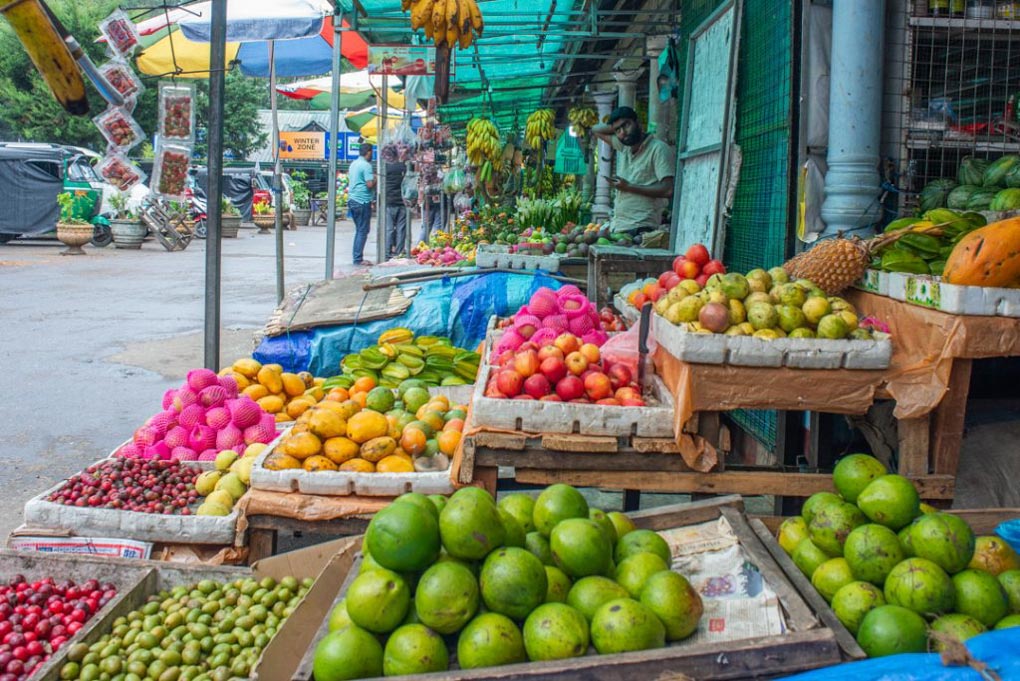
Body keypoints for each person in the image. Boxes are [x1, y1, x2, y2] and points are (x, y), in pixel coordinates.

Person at [592, 106, 676, 236]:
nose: (622, 133)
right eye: (617, 130)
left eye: (626, 125)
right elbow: (596, 129)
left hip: (642, 228)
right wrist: (616, 126)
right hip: (619, 226)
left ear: (638, 123)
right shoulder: (624, 147)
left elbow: (668, 189)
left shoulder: (658, 149)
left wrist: (629, 187)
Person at [347, 143, 375, 266]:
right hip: (362, 200)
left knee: (360, 230)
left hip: (352, 200)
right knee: (362, 230)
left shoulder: (353, 164)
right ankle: (358, 258)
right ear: (368, 152)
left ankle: (357, 256)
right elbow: (369, 184)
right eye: (372, 152)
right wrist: (376, 179)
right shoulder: (366, 166)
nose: (372, 155)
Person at [384, 160, 407, 258]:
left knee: (389, 229)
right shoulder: (404, 166)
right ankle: (399, 252)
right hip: (402, 201)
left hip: (389, 201)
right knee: (401, 229)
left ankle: (387, 252)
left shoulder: (385, 166)